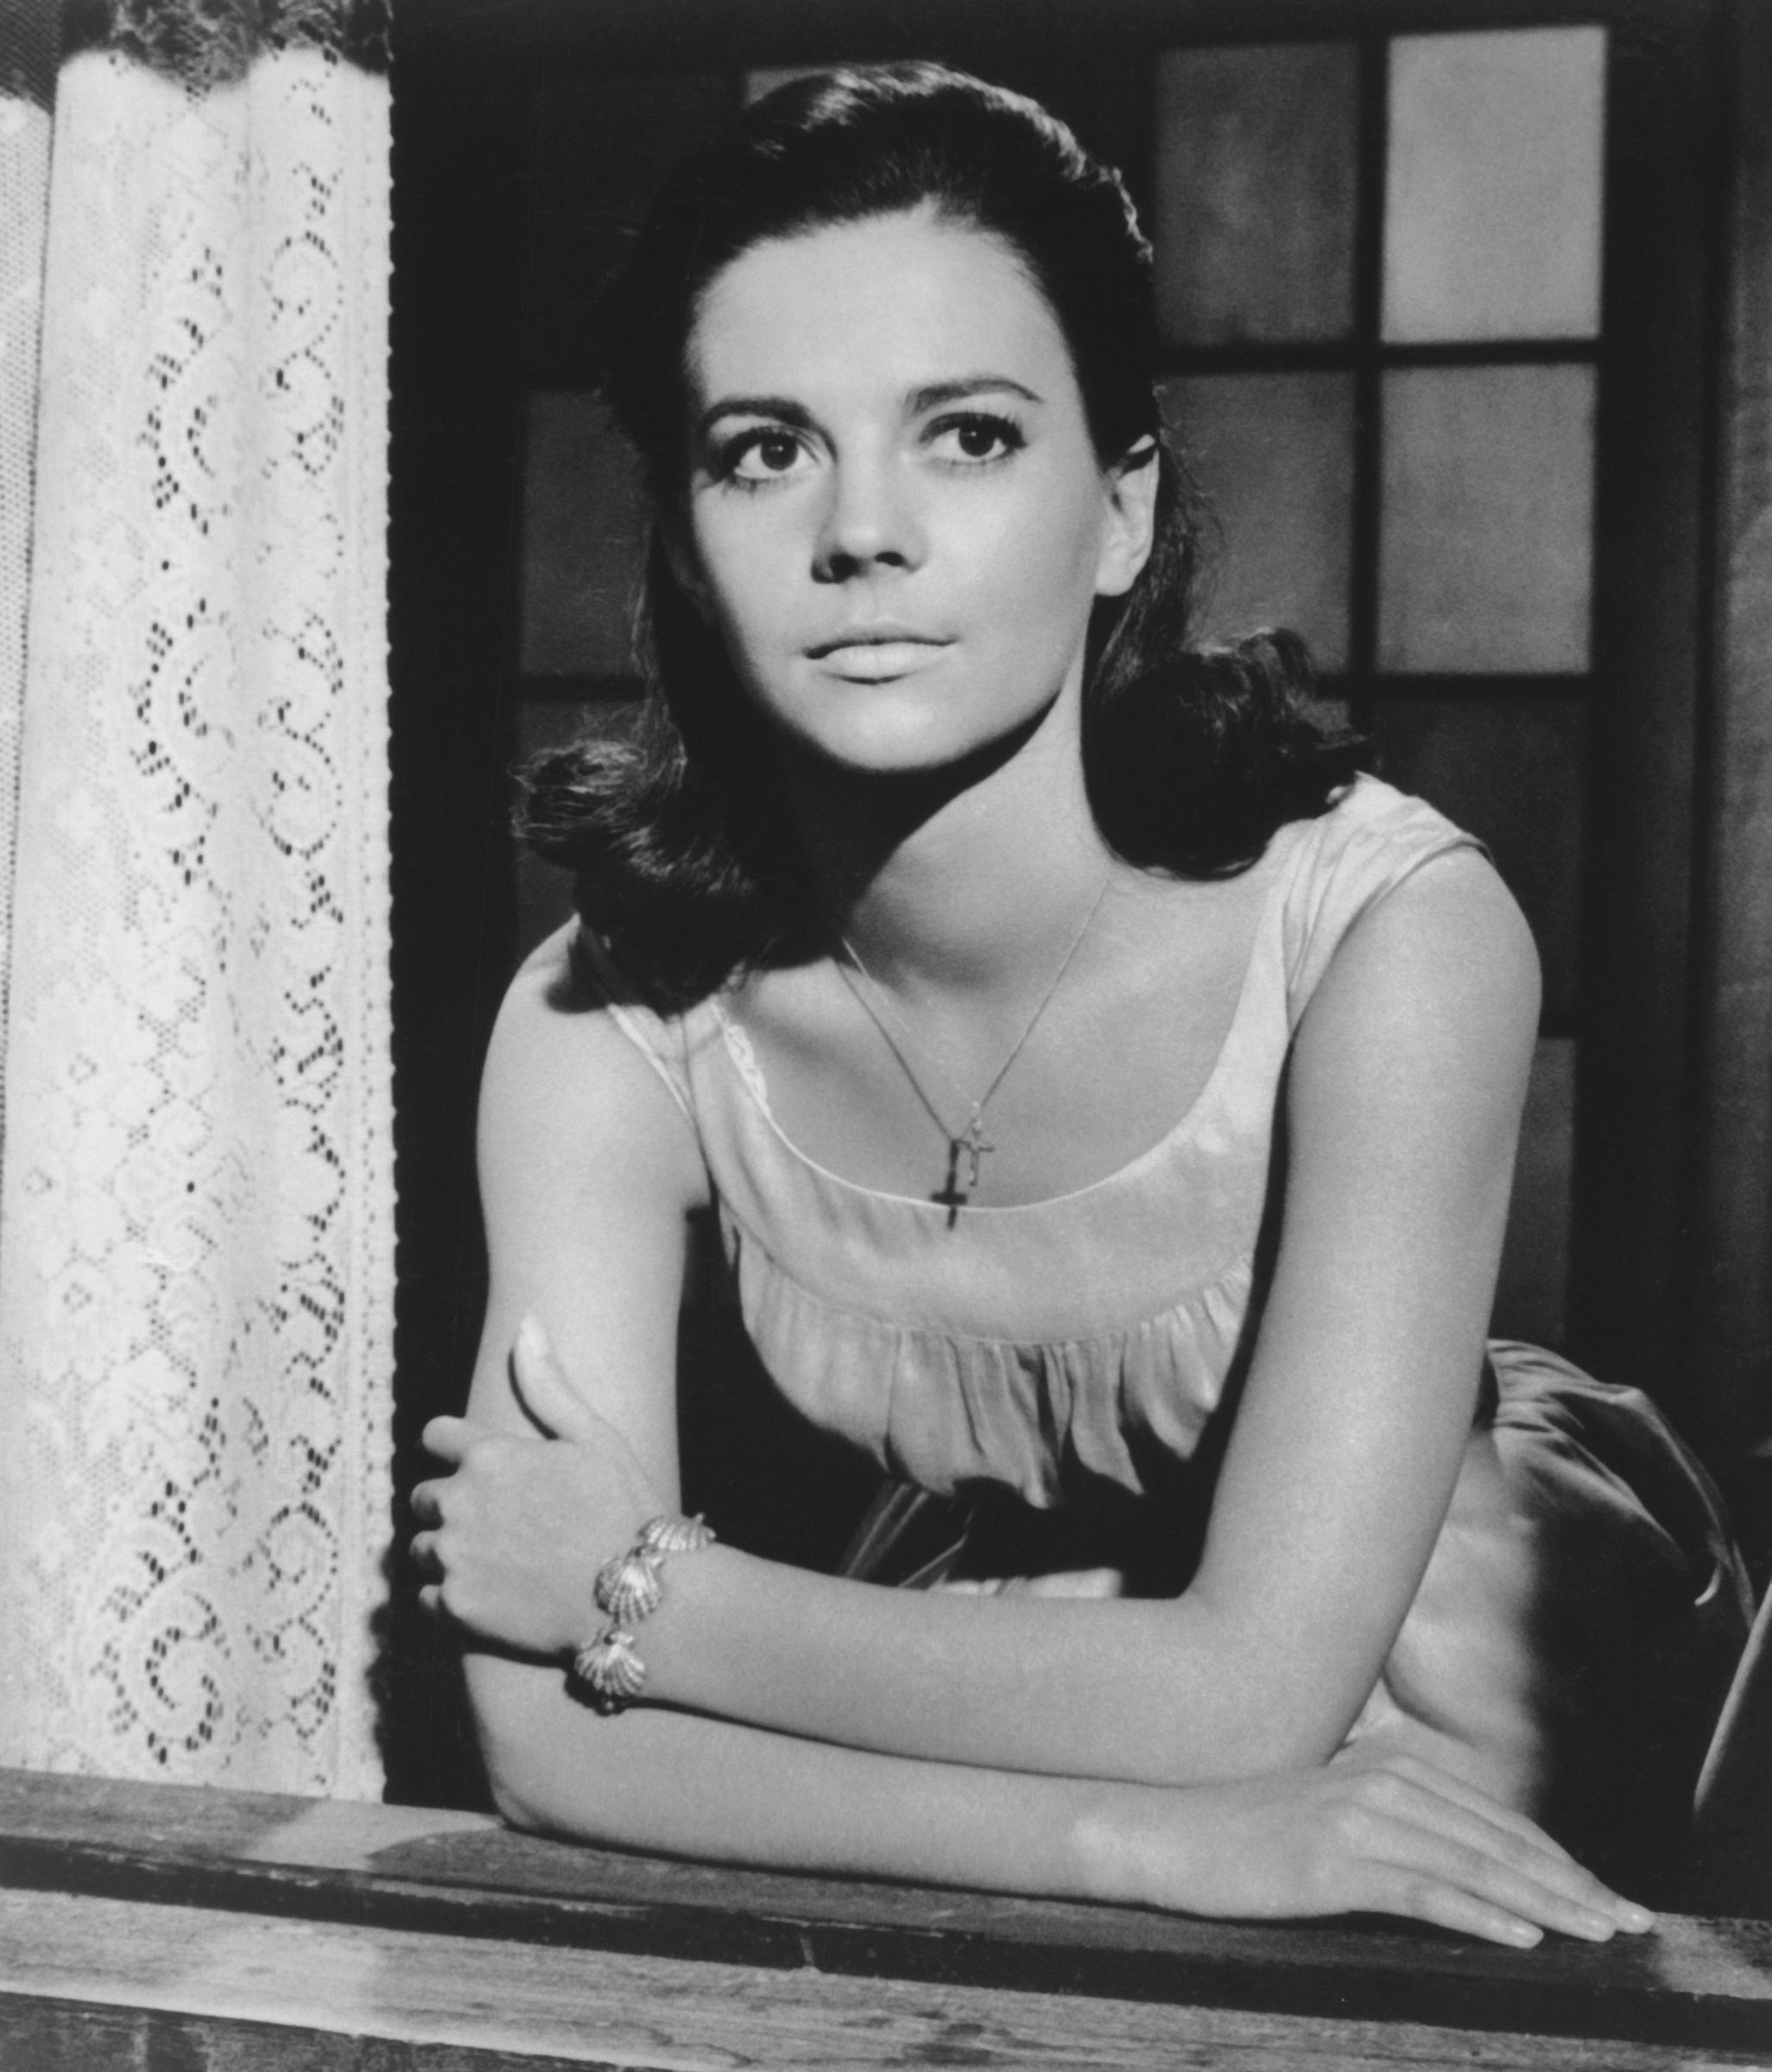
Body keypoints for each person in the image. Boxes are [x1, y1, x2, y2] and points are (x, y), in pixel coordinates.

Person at [408, 63, 1750, 1944]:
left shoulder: (1393, 933)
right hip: (989, 1686)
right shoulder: (600, 1024)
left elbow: (1254, 1699)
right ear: (689, 549)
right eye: (766, 449)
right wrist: (1142, 1847)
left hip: (1467, 1667)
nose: (859, 531)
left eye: (963, 435)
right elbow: (550, 1747)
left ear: (1121, 512)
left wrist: (648, 1591)